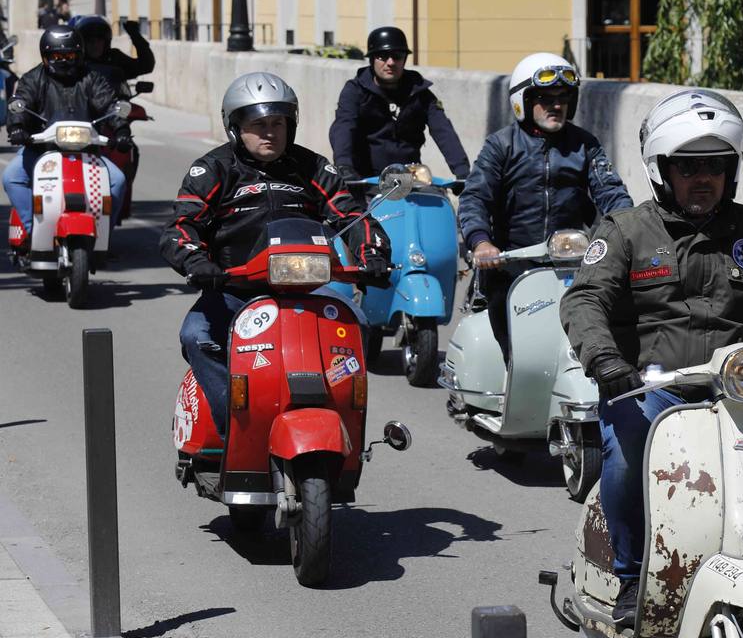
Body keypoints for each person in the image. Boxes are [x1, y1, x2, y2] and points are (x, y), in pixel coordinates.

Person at [559, 89, 743, 629]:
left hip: (737, 386)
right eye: (689, 166)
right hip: (650, 387)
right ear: (662, 170)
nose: (704, 178)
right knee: (629, 449)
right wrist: (605, 361)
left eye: (716, 167)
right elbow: (584, 299)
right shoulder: (626, 231)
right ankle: (630, 577)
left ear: (732, 170)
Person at [161, 72, 391, 439]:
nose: (270, 132)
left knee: (358, 325)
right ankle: (236, 430)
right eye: (258, 124)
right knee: (196, 337)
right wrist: (199, 264)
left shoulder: (313, 167)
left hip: (309, 290)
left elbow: (351, 215)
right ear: (235, 128)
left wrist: (373, 254)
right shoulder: (213, 169)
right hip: (234, 289)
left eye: (278, 123)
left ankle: (340, 429)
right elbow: (181, 226)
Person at [457, 52, 633, 362]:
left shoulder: (585, 145)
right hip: (510, 266)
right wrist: (482, 243)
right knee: (506, 351)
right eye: (545, 98)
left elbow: (611, 192)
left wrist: (629, 229)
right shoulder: (501, 145)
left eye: (562, 97)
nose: (556, 105)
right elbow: (475, 197)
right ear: (522, 100)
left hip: (570, 264)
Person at [3, 25, 129, 241]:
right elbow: (20, 102)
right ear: (45, 56)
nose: (63, 60)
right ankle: (33, 229)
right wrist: (17, 127)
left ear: (79, 55)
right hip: (41, 150)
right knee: (11, 177)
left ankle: (102, 234)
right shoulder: (33, 79)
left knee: (117, 180)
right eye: (56, 56)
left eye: (69, 55)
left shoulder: (92, 78)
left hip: (88, 151)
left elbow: (108, 104)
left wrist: (122, 129)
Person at [329, 26, 471, 193]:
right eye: (383, 57)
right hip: (365, 182)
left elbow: (443, 131)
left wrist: (463, 172)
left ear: (404, 59)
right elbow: (344, 127)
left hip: (409, 179)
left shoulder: (420, 92)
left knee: (438, 209)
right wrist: (344, 167)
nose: (390, 63)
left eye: (397, 57)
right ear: (372, 59)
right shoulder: (355, 91)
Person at [72, 16, 155, 94]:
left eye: (99, 40)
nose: (95, 45)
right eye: (90, 41)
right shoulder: (76, 62)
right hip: (81, 107)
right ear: (83, 43)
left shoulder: (114, 58)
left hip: (116, 106)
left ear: (106, 42)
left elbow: (146, 66)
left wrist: (136, 36)